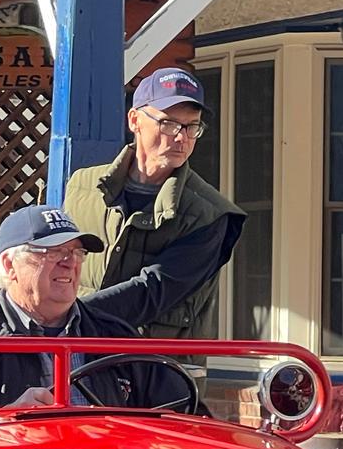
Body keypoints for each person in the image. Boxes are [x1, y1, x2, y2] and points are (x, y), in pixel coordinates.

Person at [0, 206, 193, 412]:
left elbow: (183, 414)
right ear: (9, 265)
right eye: (52, 252)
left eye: (77, 253)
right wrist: (6, 418)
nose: (69, 263)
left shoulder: (114, 335)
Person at [60, 67, 246, 338]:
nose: (181, 137)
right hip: (74, 357)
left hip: (155, 369)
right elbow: (52, 261)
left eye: (191, 126)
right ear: (134, 120)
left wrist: (59, 319)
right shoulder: (82, 186)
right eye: (168, 123)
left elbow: (152, 291)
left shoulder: (210, 213)